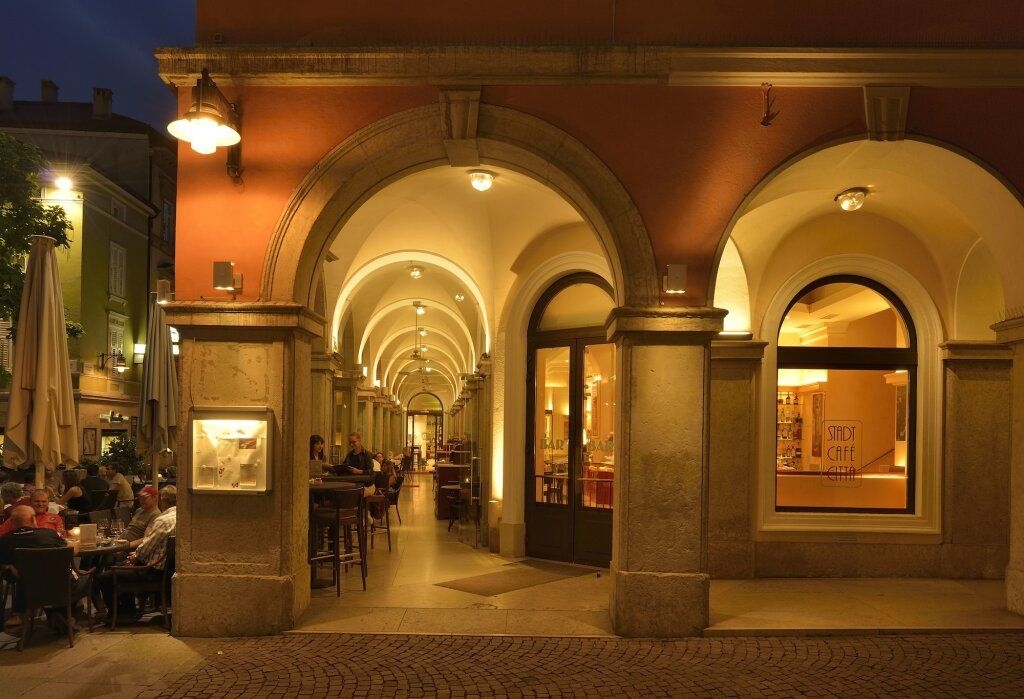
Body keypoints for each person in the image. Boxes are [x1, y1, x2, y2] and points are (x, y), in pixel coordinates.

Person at [0, 505, 89, 630]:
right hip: (62, 587)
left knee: (30, 579)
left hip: (28, 591)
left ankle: (57, 616)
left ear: (12, 522)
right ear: (33, 519)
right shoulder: (48, 534)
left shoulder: (5, 541)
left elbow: (6, 567)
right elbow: (72, 551)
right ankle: (64, 616)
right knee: (87, 575)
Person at [96, 486, 177, 622]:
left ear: (161, 500)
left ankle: (117, 615)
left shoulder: (162, 520)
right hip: (166, 570)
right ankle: (127, 611)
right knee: (122, 568)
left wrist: (135, 555)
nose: (140, 500)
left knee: (104, 577)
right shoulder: (180, 517)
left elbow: (145, 547)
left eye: (144, 497)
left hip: (152, 572)